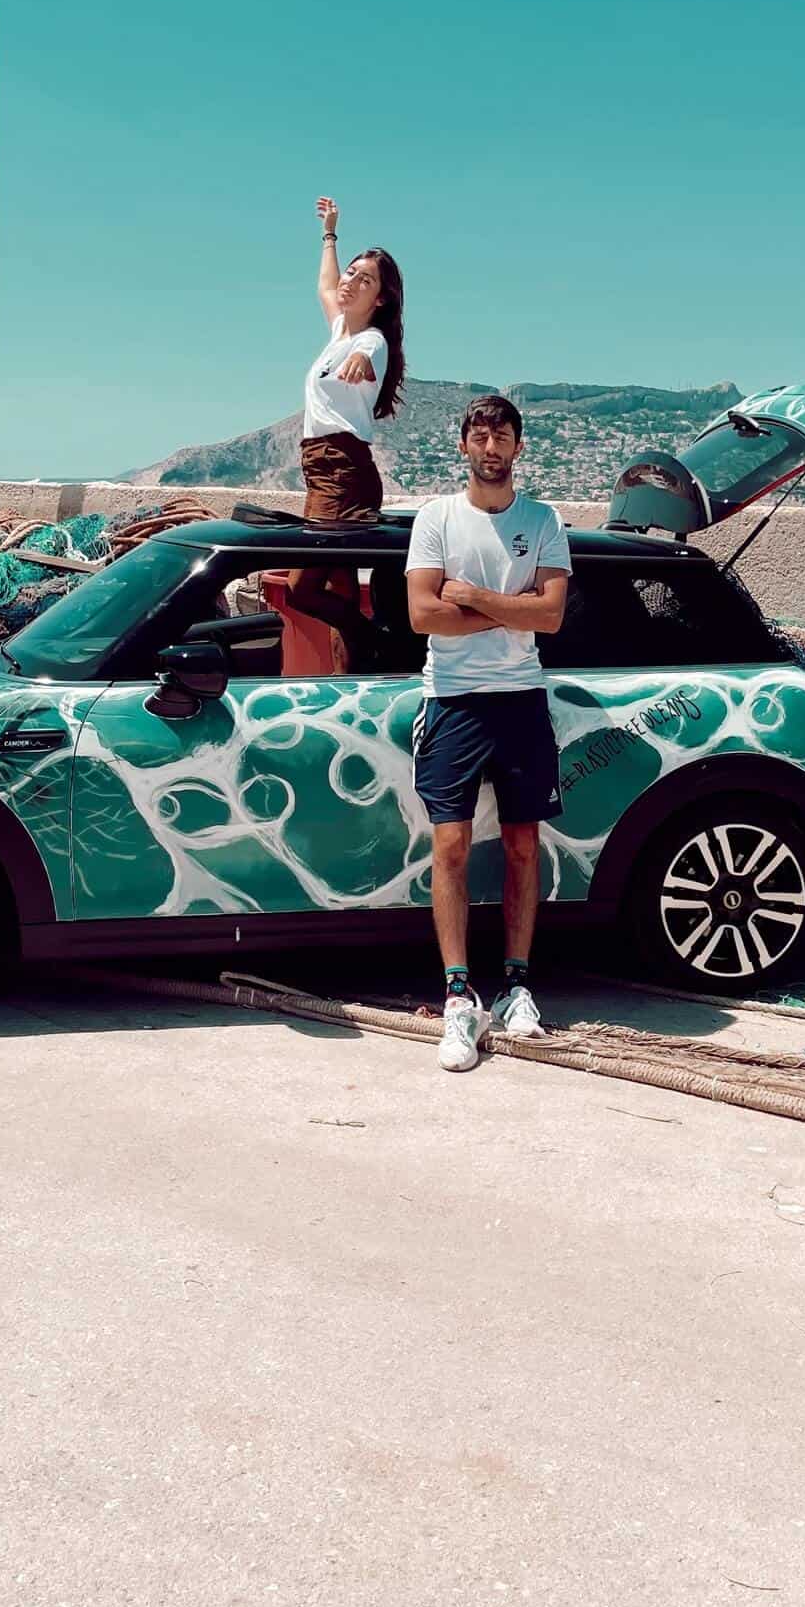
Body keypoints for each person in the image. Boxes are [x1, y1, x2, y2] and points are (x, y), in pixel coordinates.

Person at [406, 394, 571, 1071]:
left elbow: (552, 617)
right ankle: (457, 994)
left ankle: (517, 985)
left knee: (523, 846)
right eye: (480, 436)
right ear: (464, 446)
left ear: (518, 447)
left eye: (502, 436)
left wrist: (473, 596)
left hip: (521, 700)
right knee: (450, 846)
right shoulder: (437, 518)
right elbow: (423, 615)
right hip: (452, 700)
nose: (491, 447)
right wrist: (514, 608)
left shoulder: (544, 520)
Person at [289, 195, 407, 665]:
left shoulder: (371, 340)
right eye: (351, 273)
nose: (351, 281)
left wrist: (361, 360)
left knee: (301, 590)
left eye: (365, 279)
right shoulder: (339, 330)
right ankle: (352, 672)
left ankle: (376, 641)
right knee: (339, 593)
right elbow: (325, 283)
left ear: (380, 298)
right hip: (323, 470)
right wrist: (329, 234)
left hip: (342, 472)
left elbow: (370, 353)